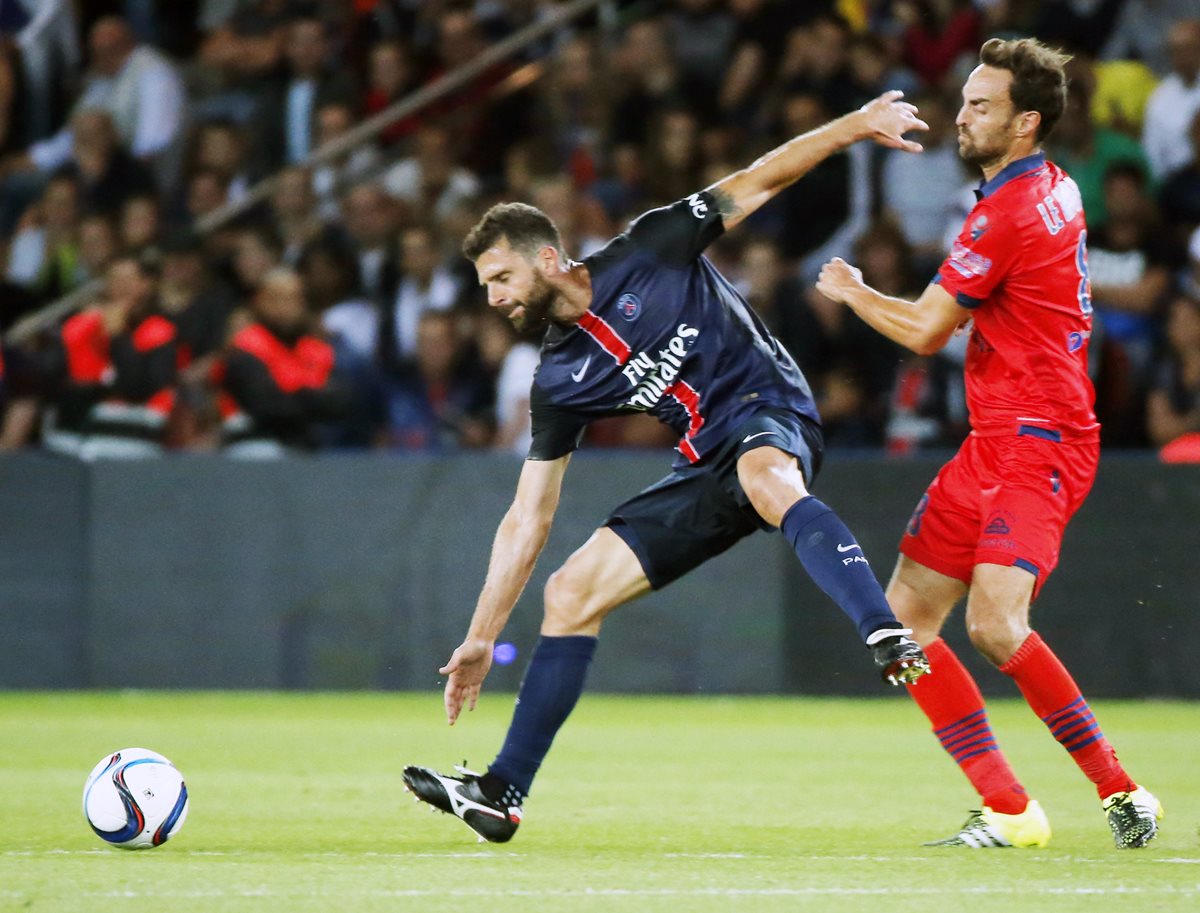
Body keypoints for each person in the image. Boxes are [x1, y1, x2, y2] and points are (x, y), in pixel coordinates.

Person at [403, 89, 932, 843]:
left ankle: (884, 628)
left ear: (548, 259)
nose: (492, 299)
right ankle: (501, 790)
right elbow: (529, 514)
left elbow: (761, 176)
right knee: (570, 591)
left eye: (501, 279)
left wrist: (857, 124)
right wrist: (483, 634)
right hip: (706, 459)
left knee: (764, 476)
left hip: (767, 407)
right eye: (486, 286)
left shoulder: (651, 244)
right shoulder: (556, 381)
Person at [816, 38, 1163, 850]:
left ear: (1026, 121)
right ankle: (1009, 806)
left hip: (1040, 437)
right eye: (965, 100)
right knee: (905, 617)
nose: (961, 116)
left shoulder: (1006, 210)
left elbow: (930, 328)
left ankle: (1123, 790)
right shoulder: (1053, 187)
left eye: (980, 106)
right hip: (997, 436)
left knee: (997, 625)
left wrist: (855, 290)